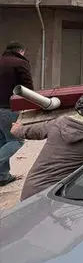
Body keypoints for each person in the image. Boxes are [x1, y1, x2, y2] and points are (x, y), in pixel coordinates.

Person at [11, 95, 83, 200]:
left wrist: (17, 128)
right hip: (54, 194)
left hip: (30, 190)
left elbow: (31, 131)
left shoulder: (59, 123)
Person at [0, 41, 34, 186]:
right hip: (9, 107)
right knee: (16, 140)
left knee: (2, 140)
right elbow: (27, 87)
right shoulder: (20, 63)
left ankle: (2, 176)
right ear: (21, 51)